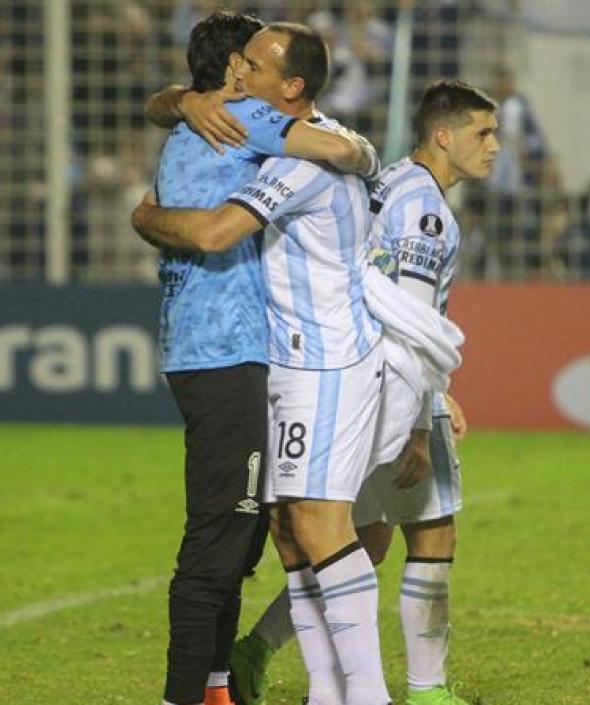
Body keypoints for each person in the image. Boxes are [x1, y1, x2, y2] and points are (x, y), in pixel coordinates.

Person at [132, 23, 392, 705]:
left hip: (213, 348)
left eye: (258, 61)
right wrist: (363, 154)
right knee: (230, 531)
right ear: (231, 74)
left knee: (254, 526)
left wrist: (177, 115)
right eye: (243, 59)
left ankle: (220, 685)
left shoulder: (191, 118)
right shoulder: (247, 117)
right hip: (227, 352)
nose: (247, 70)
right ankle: (190, 694)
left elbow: (164, 104)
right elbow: (334, 148)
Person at [229, 80, 499, 705]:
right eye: (482, 133)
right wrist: (422, 417)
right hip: (388, 388)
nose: (494, 146)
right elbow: (411, 317)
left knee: (360, 539)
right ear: (443, 134)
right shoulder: (427, 212)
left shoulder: (394, 182)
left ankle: (258, 649)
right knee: (433, 532)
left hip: (351, 378)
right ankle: (426, 690)